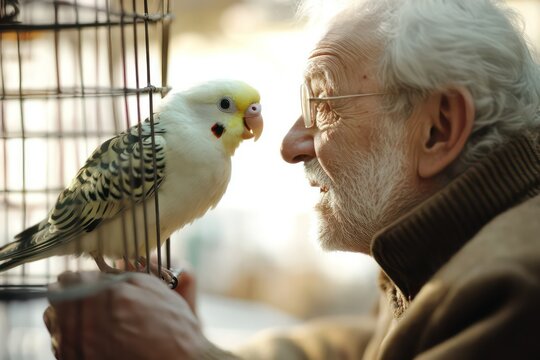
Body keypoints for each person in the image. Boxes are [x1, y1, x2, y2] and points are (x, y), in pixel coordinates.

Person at [44, 0, 540, 358]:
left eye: (322, 107)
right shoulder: (433, 255)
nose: (288, 145)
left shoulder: (511, 291)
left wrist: (187, 356)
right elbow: (366, 348)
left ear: (438, 128)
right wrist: (182, 340)